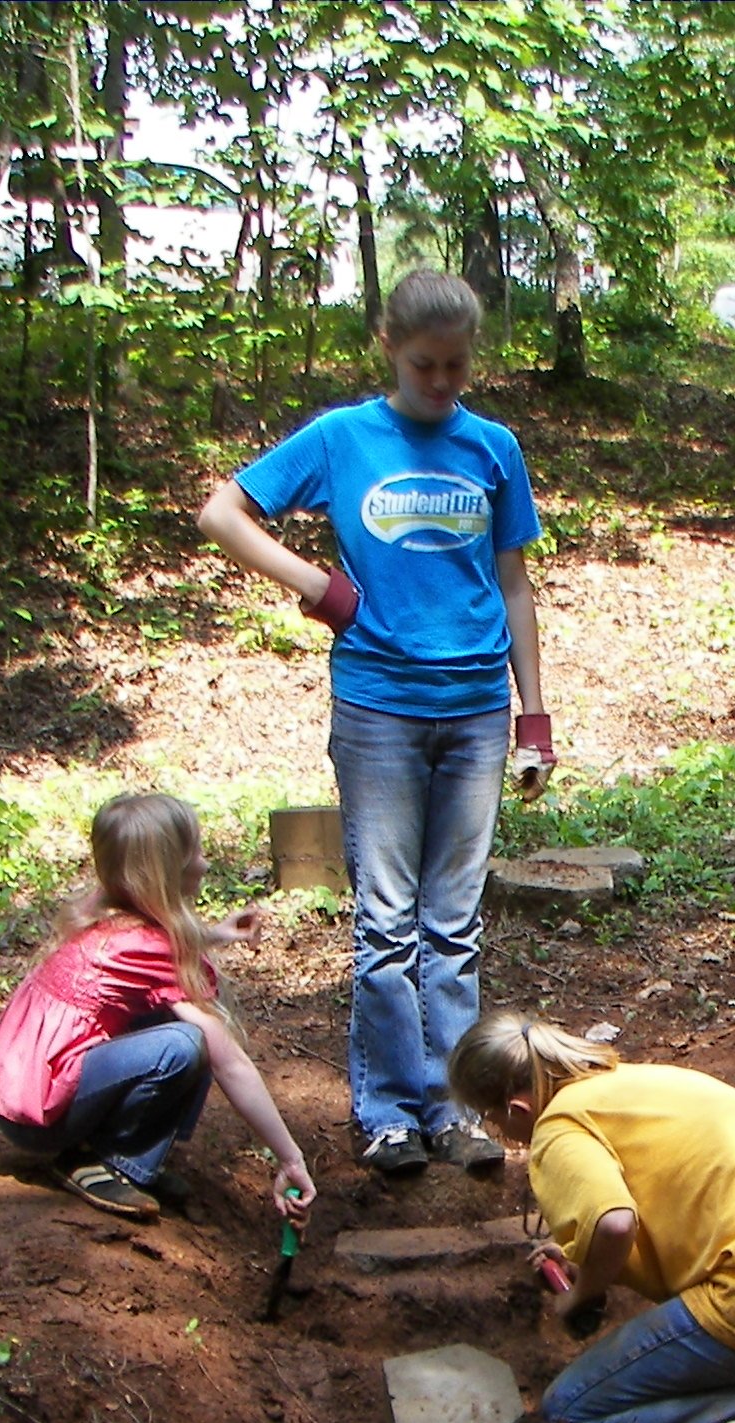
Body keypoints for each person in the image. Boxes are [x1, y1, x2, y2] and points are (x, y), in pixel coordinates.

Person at [196, 269, 551, 1178]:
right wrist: (316, 587)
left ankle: (457, 1105)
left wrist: (534, 716)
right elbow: (222, 512)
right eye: (426, 366)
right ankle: (390, 1110)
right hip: (379, 712)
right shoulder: (344, 437)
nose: (441, 384)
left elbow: (513, 584)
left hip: (474, 711)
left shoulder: (493, 447)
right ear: (390, 349)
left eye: (457, 368)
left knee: (455, 924)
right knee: (389, 922)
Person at [447, 1013, 735, 1423]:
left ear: (516, 1109)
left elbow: (615, 1222)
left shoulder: (558, 1129)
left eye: (494, 1122)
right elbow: (665, 1194)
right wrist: (582, 1252)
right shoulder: (635, 1083)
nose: (506, 1138)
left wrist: (581, 1295)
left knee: (570, 1412)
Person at [0, 792, 317, 1225]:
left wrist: (213, 935)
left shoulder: (109, 910)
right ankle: (106, 1161)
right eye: (195, 852)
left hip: (27, 1094)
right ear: (166, 872)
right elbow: (230, 1061)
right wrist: (290, 1158)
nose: (206, 864)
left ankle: (111, 1152)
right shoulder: (148, 949)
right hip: (39, 1120)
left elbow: (158, 944)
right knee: (189, 1042)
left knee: (173, 1020)